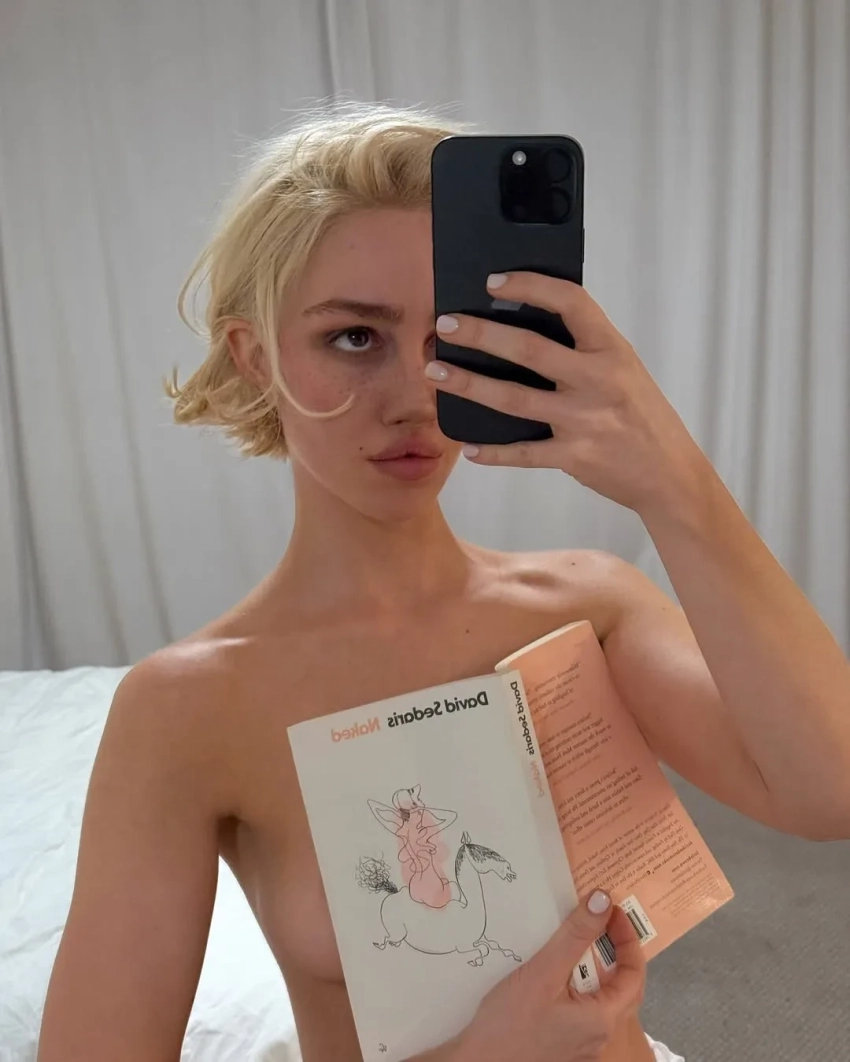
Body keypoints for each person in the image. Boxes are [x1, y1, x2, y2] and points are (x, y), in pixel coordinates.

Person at [36, 102, 850, 1062]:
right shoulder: (188, 708)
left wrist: (672, 480)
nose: (416, 394)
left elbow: (828, 794)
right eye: (354, 337)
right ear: (256, 357)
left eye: (451, 339)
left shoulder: (589, 609)